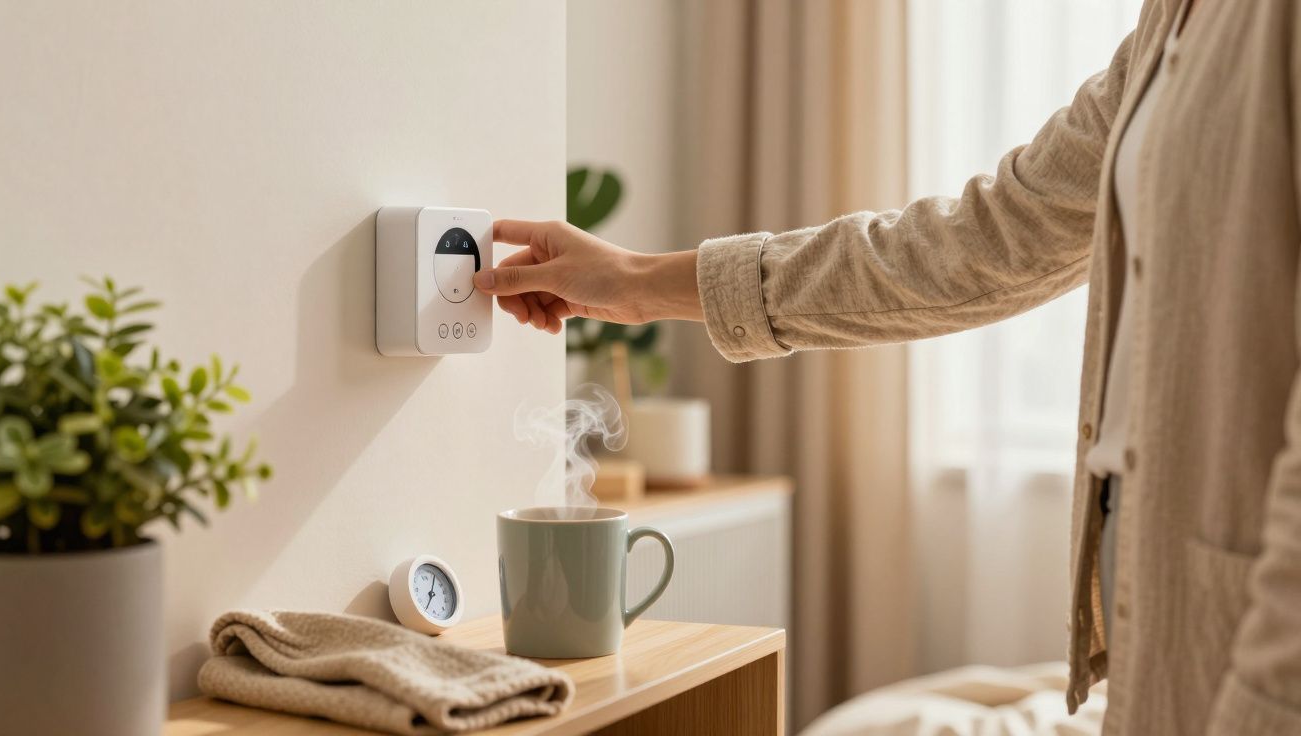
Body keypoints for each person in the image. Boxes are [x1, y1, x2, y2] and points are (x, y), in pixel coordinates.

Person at [474, 1, 1301, 734]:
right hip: (1147, 583)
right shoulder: (1165, 25)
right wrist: (636, 283)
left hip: (1254, 615)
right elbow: (978, 242)